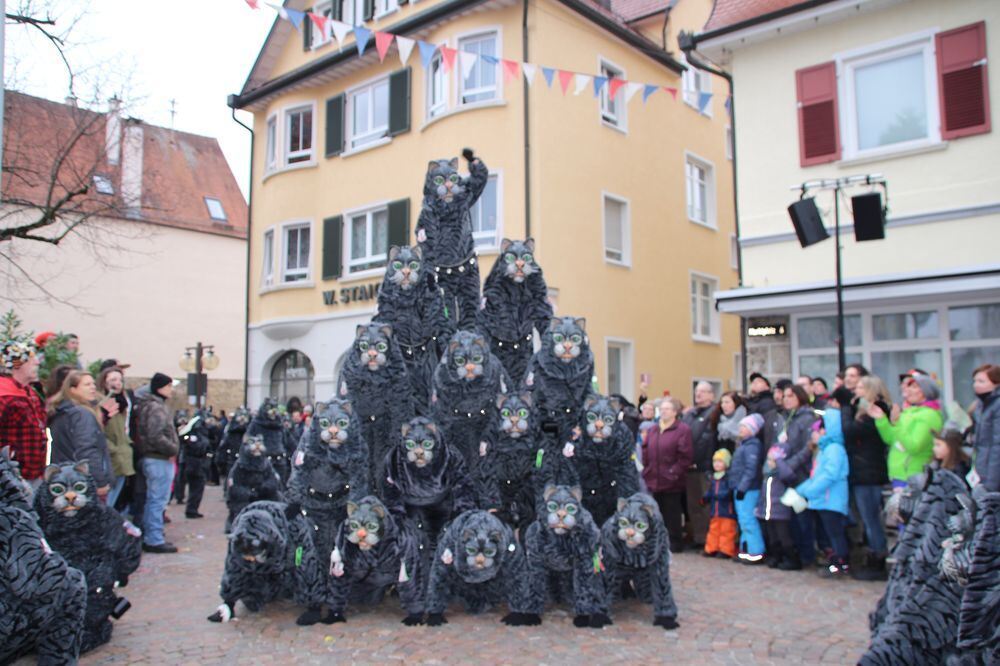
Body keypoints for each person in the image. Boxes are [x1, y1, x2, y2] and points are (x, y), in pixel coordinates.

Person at [757, 384, 816, 571]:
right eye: (785, 396)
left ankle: (804, 555)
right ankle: (784, 552)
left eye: (791, 396)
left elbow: (806, 448)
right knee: (784, 516)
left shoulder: (806, 418)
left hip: (798, 472)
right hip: (782, 470)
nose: (786, 399)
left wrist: (788, 465)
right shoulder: (786, 417)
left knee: (800, 517)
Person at [871, 372, 942, 525]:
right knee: (902, 522)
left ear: (925, 391)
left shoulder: (929, 415)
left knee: (912, 523)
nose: (907, 391)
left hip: (915, 475)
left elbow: (914, 446)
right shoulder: (908, 412)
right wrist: (882, 420)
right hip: (900, 475)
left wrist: (896, 424)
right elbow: (891, 439)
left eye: (914, 387)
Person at [793, 411, 850, 577]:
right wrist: (800, 491)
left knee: (835, 533)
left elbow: (829, 475)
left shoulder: (834, 449)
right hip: (823, 499)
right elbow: (816, 476)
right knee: (828, 533)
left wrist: (810, 491)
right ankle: (834, 560)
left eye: (817, 431)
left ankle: (840, 563)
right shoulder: (825, 449)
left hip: (831, 499)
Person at [844, 377, 890, 580]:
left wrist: (847, 410)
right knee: (867, 518)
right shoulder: (863, 410)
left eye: (861, 387)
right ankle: (872, 555)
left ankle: (878, 559)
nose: (856, 390)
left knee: (871, 518)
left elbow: (851, 431)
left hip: (869, 472)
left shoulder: (875, 411)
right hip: (863, 470)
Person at [46, 371, 113, 500]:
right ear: (73, 390)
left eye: (93, 383)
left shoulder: (61, 412)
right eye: (87, 384)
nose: (93, 387)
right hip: (82, 482)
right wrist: (99, 481)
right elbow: (87, 449)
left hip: (65, 479)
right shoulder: (81, 414)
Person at [134, 372, 180, 553]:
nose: (171, 390)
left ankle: (152, 535)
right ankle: (153, 538)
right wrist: (172, 449)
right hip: (158, 458)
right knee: (157, 500)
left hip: (155, 457)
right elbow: (155, 435)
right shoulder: (156, 408)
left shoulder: (152, 405)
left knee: (155, 499)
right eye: (168, 386)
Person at [641, 396, 692, 553]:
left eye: (667, 409)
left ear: (675, 412)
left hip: (672, 480)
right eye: (661, 409)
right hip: (655, 477)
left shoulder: (682, 430)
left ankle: (675, 541)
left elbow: (685, 456)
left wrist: (673, 473)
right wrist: (648, 469)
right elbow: (646, 450)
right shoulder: (654, 429)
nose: (663, 412)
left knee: (672, 513)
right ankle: (659, 540)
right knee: (658, 512)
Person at [0, 338, 47, 488]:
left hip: (34, 475)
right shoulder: (4, 396)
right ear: (17, 364)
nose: (37, 363)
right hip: (10, 479)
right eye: (31, 359)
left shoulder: (30, 393)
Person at [683, 381, 718, 547]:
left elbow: (706, 440)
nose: (699, 394)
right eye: (697, 391)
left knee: (706, 504)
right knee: (693, 504)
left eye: (703, 392)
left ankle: (710, 539)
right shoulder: (690, 414)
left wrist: (697, 459)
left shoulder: (714, 413)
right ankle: (699, 537)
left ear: (711, 395)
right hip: (689, 467)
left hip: (705, 467)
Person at [97, 366, 135, 509]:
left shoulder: (121, 403)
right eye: (113, 379)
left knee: (113, 501)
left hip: (121, 457)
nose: (118, 383)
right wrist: (114, 449)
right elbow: (99, 432)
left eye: (120, 380)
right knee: (106, 501)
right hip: (110, 458)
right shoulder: (103, 403)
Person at [730, 414, 765, 564]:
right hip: (740, 487)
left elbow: (751, 469)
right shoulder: (744, 445)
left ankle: (756, 551)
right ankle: (746, 549)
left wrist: (743, 487)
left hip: (748, 489)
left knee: (748, 520)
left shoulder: (752, 446)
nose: (741, 429)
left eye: (744, 427)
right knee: (743, 520)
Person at [701, 449, 737, 559]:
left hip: (726, 510)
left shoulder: (728, 477)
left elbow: (728, 492)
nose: (717, 464)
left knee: (726, 531)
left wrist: (716, 496)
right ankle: (711, 548)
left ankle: (725, 550)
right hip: (715, 510)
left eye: (720, 461)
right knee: (714, 530)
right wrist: (705, 498)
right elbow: (710, 491)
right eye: (715, 461)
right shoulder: (713, 478)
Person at [971, 363, 1000, 491]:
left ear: (996, 382)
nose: (976, 384)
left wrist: (991, 481)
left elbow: (997, 445)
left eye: (981, 381)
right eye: (975, 381)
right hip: (982, 467)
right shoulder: (981, 404)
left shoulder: (996, 405)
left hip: (992, 471)